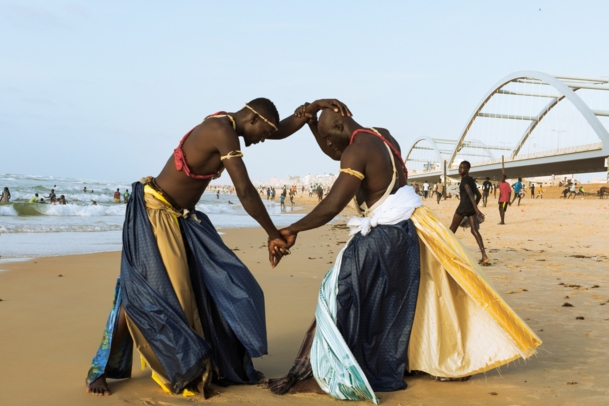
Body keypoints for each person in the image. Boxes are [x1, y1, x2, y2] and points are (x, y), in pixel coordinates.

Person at [267, 106, 541, 403]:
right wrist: (316, 117)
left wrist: (293, 228)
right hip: (405, 234)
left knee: (338, 296)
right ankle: (388, 363)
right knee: (390, 305)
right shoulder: (383, 138)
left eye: (329, 139)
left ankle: (333, 370)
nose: (331, 149)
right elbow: (338, 150)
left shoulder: (355, 152)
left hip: (380, 238)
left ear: (338, 127)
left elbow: (333, 204)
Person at [85, 98, 350, 397]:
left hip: (181, 217)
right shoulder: (220, 129)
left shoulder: (234, 126)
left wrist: (309, 110)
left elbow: (277, 130)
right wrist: (272, 233)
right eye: (262, 133)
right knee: (145, 293)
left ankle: (222, 361)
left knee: (230, 282)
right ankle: (100, 370)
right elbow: (245, 190)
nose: (262, 141)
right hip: (155, 213)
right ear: (253, 119)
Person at [449, 161, 489, 266]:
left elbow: (470, 193)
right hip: (471, 208)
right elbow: (478, 196)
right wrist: (474, 208)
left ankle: (444, 251)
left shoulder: (464, 180)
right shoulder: (471, 180)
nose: (460, 169)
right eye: (459, 167)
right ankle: (484, 255)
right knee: (475, 230)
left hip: (463, 208)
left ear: (467, 169)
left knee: (451, 230)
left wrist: (476, 210)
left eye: (462, 168)